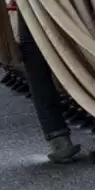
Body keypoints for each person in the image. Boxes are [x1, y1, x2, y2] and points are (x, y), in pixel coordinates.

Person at [16, 14, 82, 163]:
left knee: (33, 51)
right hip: (35, 3)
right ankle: (57, 136)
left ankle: (58, 137)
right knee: (34, 50)